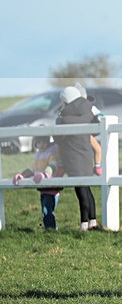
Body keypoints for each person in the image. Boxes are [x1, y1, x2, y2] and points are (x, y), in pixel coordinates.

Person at [54, 85, 100, 230]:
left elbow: (58, 138)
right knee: (87, 190)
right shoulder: (88, 112)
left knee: (81, 193)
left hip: (73, 159)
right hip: (87, 156)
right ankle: (93, 221)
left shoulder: (64, 118)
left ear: (66, 101)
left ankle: (84, 224)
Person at [12, 136, 63, 230]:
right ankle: (50, 228)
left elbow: (53, 165)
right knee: (45, 211)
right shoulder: (38, 155)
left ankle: (51, 229)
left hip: (51, 188)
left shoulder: (51, 153)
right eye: (39, 142)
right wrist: (22, 175)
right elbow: (32, 169)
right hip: (43, 188)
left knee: (47, 210)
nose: (42, 145)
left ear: (48, 142)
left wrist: (45, 174)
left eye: (44, 142)